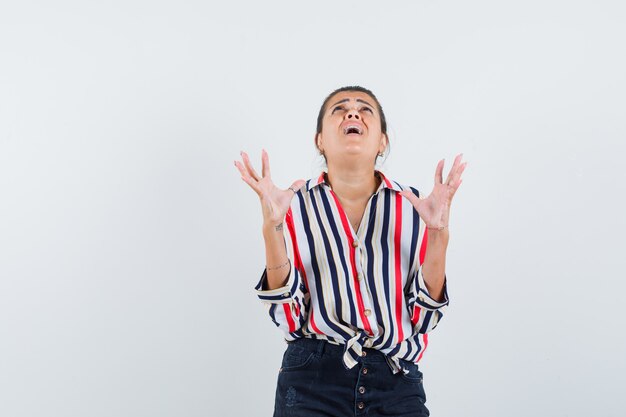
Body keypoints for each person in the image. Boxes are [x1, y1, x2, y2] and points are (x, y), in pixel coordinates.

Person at [234, 86, 466, 417]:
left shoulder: (416, 206)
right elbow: (288, 319)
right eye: (339, 109)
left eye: (365, 109)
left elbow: (424, 318)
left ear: (382, 140)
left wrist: (438, 233)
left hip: (395, 381)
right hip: (312, 379)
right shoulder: (292, 205)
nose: (352, 113)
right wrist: (273, 228)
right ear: (320, 140)